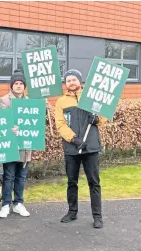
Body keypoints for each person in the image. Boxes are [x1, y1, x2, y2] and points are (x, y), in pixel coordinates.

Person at [55, 69, 107, 229]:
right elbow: (60, 125)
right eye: (68, 80)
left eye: (74, 80)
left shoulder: (91, 97)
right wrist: (75, 139)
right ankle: (72, 212)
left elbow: (103, 116)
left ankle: (97, 216)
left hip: (90, 147)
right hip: (72, 148)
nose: (71, 82)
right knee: (72, 181)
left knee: (94, 182)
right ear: (65, 84)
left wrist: (97, 118)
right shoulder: (61, 102)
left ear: (80, 81)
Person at [0, 69, 32, 218]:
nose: (18, 86)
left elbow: (34, 122)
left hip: (25, 146)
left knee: (21, 176)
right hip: (10, 145)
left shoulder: (30, 102)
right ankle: (6, 204)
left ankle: (18, 203)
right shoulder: (4, 100)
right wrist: (13, 125)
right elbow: (2, 120)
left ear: (24, 86)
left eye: (21, 83)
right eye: (16, 83)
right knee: (9, 176)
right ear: (11, 85)